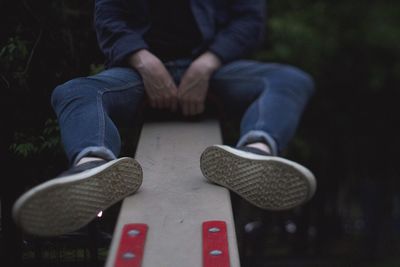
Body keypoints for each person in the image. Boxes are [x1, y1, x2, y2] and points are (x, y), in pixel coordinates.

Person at [12, 0, 316, 237]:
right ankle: (92, 168)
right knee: (75, 92)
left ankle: (256, 154)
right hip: (138, 73)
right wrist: (143, 61)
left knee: (290, 80)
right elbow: (109, 17)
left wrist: (207, 63)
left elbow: (249, 22)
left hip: (214, 71)